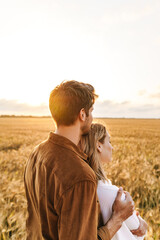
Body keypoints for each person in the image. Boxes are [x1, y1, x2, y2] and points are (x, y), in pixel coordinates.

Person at [24, 80, 135, 240]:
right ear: (82, 114)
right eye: (91, 111)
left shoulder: (37, 153)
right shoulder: (80, 176)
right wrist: (118, 219)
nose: (92, 117)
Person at [80, 122, 148, 240]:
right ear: (99, 146)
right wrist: (143, 223)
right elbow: (140, 230)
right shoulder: (114, 195)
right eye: (109, 141)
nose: (112, 147)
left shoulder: (81, 188)